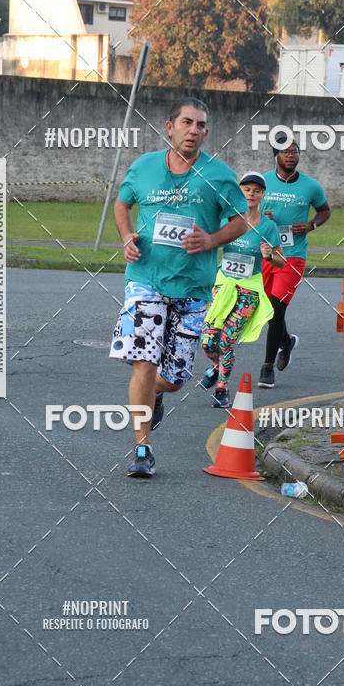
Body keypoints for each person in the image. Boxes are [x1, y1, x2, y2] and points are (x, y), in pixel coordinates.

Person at [110, 97, 248, 477]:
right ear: (169, 127)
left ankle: (156, 394)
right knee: (143, 362)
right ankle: (142, 450)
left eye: (201, 125)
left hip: (193, 288)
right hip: (146, 280)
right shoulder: (144, 167)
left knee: (173, 379)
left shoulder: (218, 175)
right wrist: (126, 237)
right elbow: (123, 205)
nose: (194, 130)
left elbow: (241, 220)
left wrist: (210, 240)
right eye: (187, 122)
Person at [199, 171, 285, 407]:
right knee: (208, 341)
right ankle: (217, 366)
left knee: (227, 341)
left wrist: (270, 256)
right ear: (240, 192)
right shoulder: (228, 220)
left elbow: (281, 260)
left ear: (262, 195)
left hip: (248, 291)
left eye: (256, 191)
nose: (251, 194)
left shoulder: (268, 227)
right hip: (223, 285)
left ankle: (223, 390)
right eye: (247, 189)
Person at [258, 134, 331, 388]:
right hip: (267, 254)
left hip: (293, 257)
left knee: (277, 309)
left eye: (295, 151)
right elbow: (244, 208)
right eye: (286, 151)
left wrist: (311, 224)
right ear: (275, 155)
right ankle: (286, 342)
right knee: (269, 310)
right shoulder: (263, 182)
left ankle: (267, 367)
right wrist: (260, 215)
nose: (291, 155)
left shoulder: (311, 187)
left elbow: (325, 211)